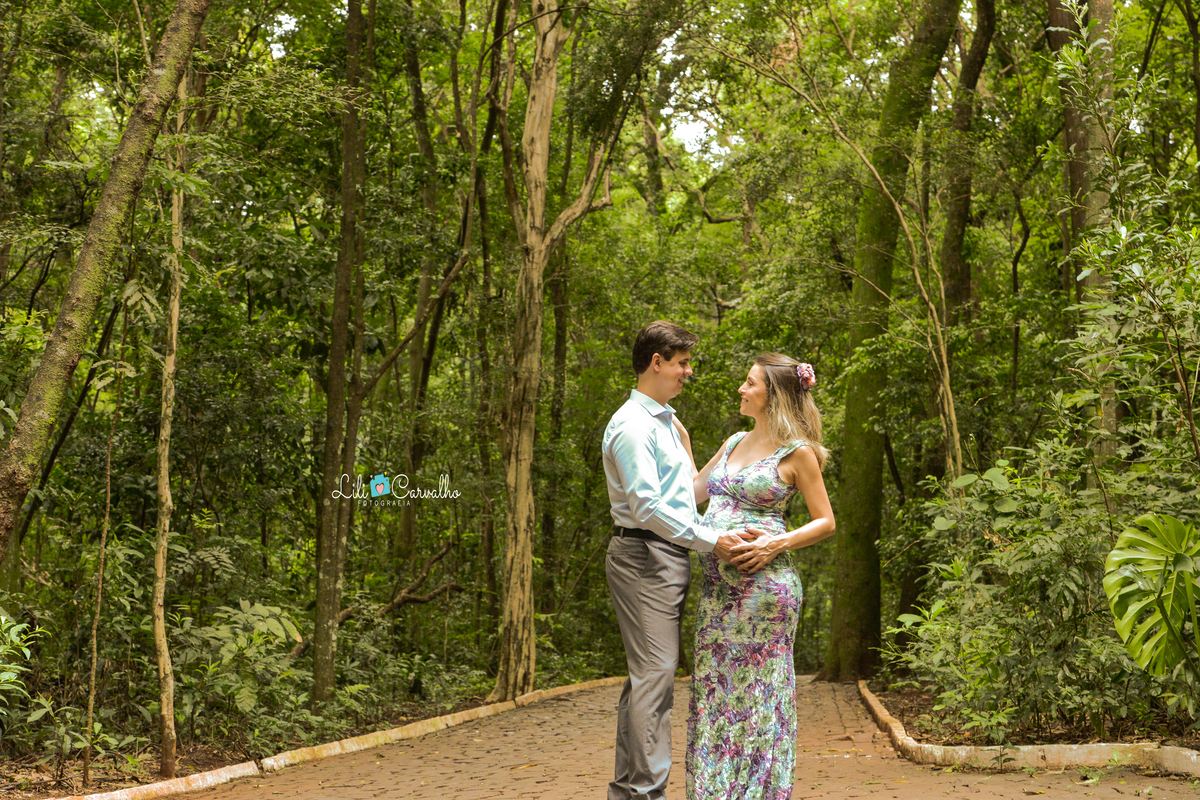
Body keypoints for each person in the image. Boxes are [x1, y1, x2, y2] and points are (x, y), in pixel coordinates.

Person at [602, 321, 754, 800]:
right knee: (656, 677)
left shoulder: (664, 422)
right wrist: (713, 542)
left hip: (664, 554)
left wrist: (715, 451)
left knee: (647, 677)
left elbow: (685, 497)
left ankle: (629, 792)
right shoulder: (632, 426)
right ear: (657, 362)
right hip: (644, 555)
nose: (688, 372)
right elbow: (647, 509)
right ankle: (647, 794)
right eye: (683, 362)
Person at [681, 353, 836, 800]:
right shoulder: (732, 442)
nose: (741, 390)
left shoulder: (798, 453)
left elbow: (825, 521)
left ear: (774, 397)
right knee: (715, 692)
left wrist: (774, 543)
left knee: (756, 698)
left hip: (764, 595)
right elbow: (694, 493)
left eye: (750, 384)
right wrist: (681, 445)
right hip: (717, 594)